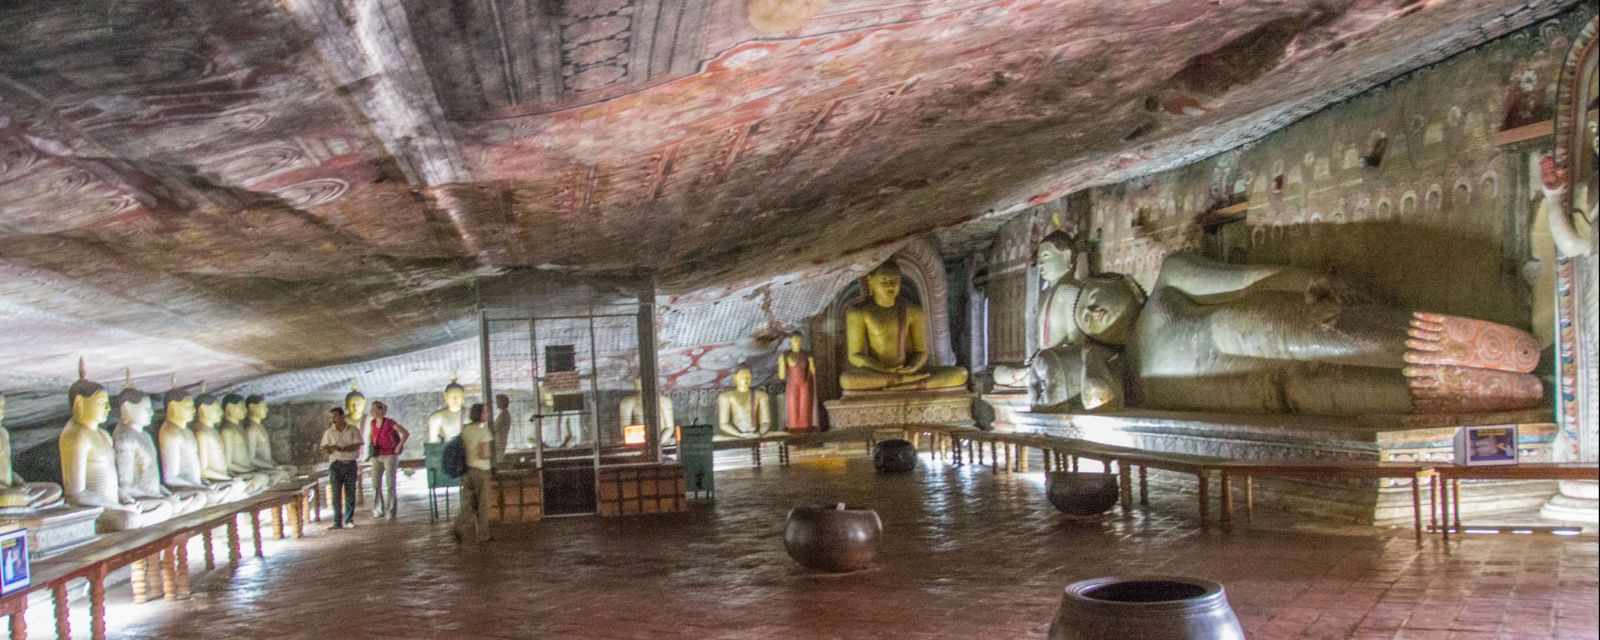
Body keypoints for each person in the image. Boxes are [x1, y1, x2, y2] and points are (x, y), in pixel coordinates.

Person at [453, 403, 494, 544]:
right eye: (486, 412)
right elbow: (485, 454)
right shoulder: (484, 431)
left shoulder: (466, 429)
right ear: (480, 415)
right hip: (481, 471)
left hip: (467, 470)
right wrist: (491, 455)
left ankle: (458, 525)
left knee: (469, 503)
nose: (487, 414)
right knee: (483, 504)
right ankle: (483, 535)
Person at [367, 401, 410, 520]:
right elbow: (372, 436)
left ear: (381, 411)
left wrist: (398, 446)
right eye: (372, 409)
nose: (372, 412)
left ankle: (390, 510)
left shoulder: (390, 423)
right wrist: (372, 448)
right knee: (375, 483)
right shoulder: (372, 423)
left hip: (390, 455)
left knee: (390, 483)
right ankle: (378, 509)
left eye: (374, 409)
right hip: (377, 455)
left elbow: (405, 433)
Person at [320, 407, 362, 529]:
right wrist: (330, 449)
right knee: (336, 494)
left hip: (350, 464)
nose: (333, 419)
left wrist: (341, 448)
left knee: (350, 493)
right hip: (336, 465)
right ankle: (337, 522)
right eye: (331, 417)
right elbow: (323, 448)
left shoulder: (353, 430)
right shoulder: (329, 432)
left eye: (335, 416)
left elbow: (357, 445)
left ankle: (349, 520)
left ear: (342, 416)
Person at [492, 394, 511, 461]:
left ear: (502, 402)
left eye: (498, 401)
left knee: (498, 460)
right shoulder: (504, 413)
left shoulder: (504, 414)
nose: (496, 403)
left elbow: (495, 428)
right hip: (500, 441)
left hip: (499, 441)